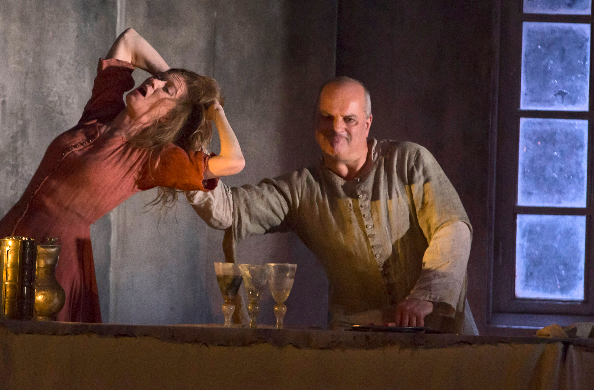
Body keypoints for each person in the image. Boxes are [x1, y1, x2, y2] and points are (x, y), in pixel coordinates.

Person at [0, 27, 245, 390]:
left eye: (163, 90)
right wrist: (174, 81)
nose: (151, 84)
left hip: (55, 263)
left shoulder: (151, 159)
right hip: (4, 248)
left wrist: (207, 107)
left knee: (30, 379)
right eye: (155, 80)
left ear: (169, 117)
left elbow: (234, 161)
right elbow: (130, 41)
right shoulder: (102, 113)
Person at [187, 76, 475, 333]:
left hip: (440, 337)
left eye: (349, 119)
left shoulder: (409, 161)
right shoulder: (300, 189)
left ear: (367, 123)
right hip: (358, 345)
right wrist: (189, 153)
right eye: (327, 117)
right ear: (315, 121)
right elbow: (229, 211)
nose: (337, 128)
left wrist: (425, 296)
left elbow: (452, 227)